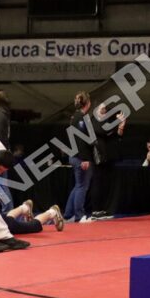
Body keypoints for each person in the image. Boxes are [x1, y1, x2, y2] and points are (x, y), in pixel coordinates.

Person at [62, 92, 95, 224]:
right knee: (82, 186)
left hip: (75, 155)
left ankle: (68, 214)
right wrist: (85, 159)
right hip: (80, 157)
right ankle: (79, 216)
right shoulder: (81, 118)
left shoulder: (75, 117)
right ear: (88, 103)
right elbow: (81, 140)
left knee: (78, 186)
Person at [89, 103, 125, 219]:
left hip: (107, 157)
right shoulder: (94, 121)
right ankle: (96, 210)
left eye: (105, 109)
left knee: (105, 183)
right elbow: (103, 131)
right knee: (97, 182)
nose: (105, 110)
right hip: (98, 157)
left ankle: (103, 209)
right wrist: (117, 122)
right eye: (102, 109)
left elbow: (116, 135)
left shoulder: (106, 122)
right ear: (96, 111)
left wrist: (121, 125)